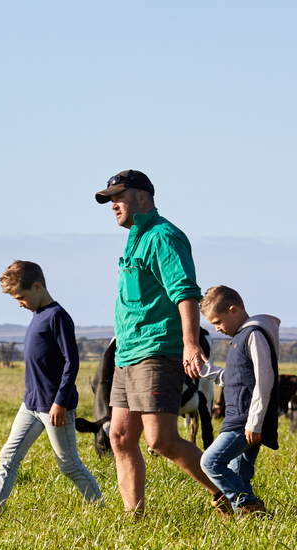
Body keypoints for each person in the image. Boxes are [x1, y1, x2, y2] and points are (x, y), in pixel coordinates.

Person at [95, 169, 221, 515]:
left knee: (160, 440)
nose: (113, 205)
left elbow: (186, 293)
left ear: (143, 196)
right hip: (127, 354)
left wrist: (191, 344)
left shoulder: (164, 236)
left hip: (156, 350)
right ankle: (133, 518)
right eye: (109, 199)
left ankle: (234, 494)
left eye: (119, 197)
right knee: (119, 437)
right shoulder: (135, 237)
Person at [0, 260, 103, 515]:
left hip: (55, 407)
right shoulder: (37, 315)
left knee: (69, 465)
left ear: (37, 287)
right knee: (8, 458)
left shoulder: (57, 316)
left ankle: (100, 507)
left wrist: (60, 402)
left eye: (21, 297)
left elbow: (72, 362)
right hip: (31, 405)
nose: (19, 303)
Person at [198, 285, 280, 517]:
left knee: (210, 462)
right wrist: (206, 370)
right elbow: (237, 378)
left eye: (218, 321)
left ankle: (251, 506)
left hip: (245, 420)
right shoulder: (240, 337)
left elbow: (264, 380)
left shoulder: (253, 335)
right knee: (239, 472)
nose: (217, 329)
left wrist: (254, 423)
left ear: (233, 310)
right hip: (241, 418)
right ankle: (250, 523)